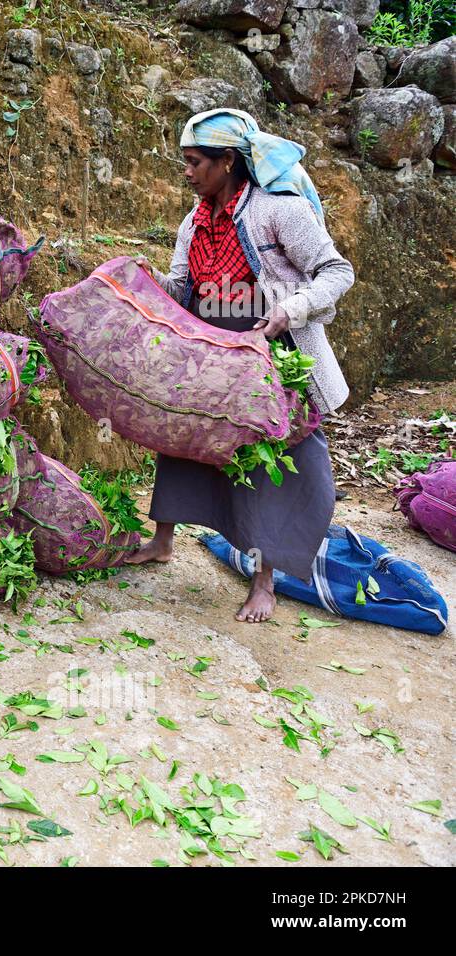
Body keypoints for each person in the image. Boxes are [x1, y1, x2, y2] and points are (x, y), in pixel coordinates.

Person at [126, 107, 355, 623]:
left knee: (265, 462)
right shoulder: (195, 219)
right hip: (210, 348)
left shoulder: (278, 210)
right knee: (183, 437)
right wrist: (141, 281)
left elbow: (337, 271)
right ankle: (163, 541)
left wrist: (288, 310)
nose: (186, 172)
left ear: (227, 161)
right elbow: (183, 288)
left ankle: (264, 580)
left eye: (193, 162)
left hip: (270, 351)